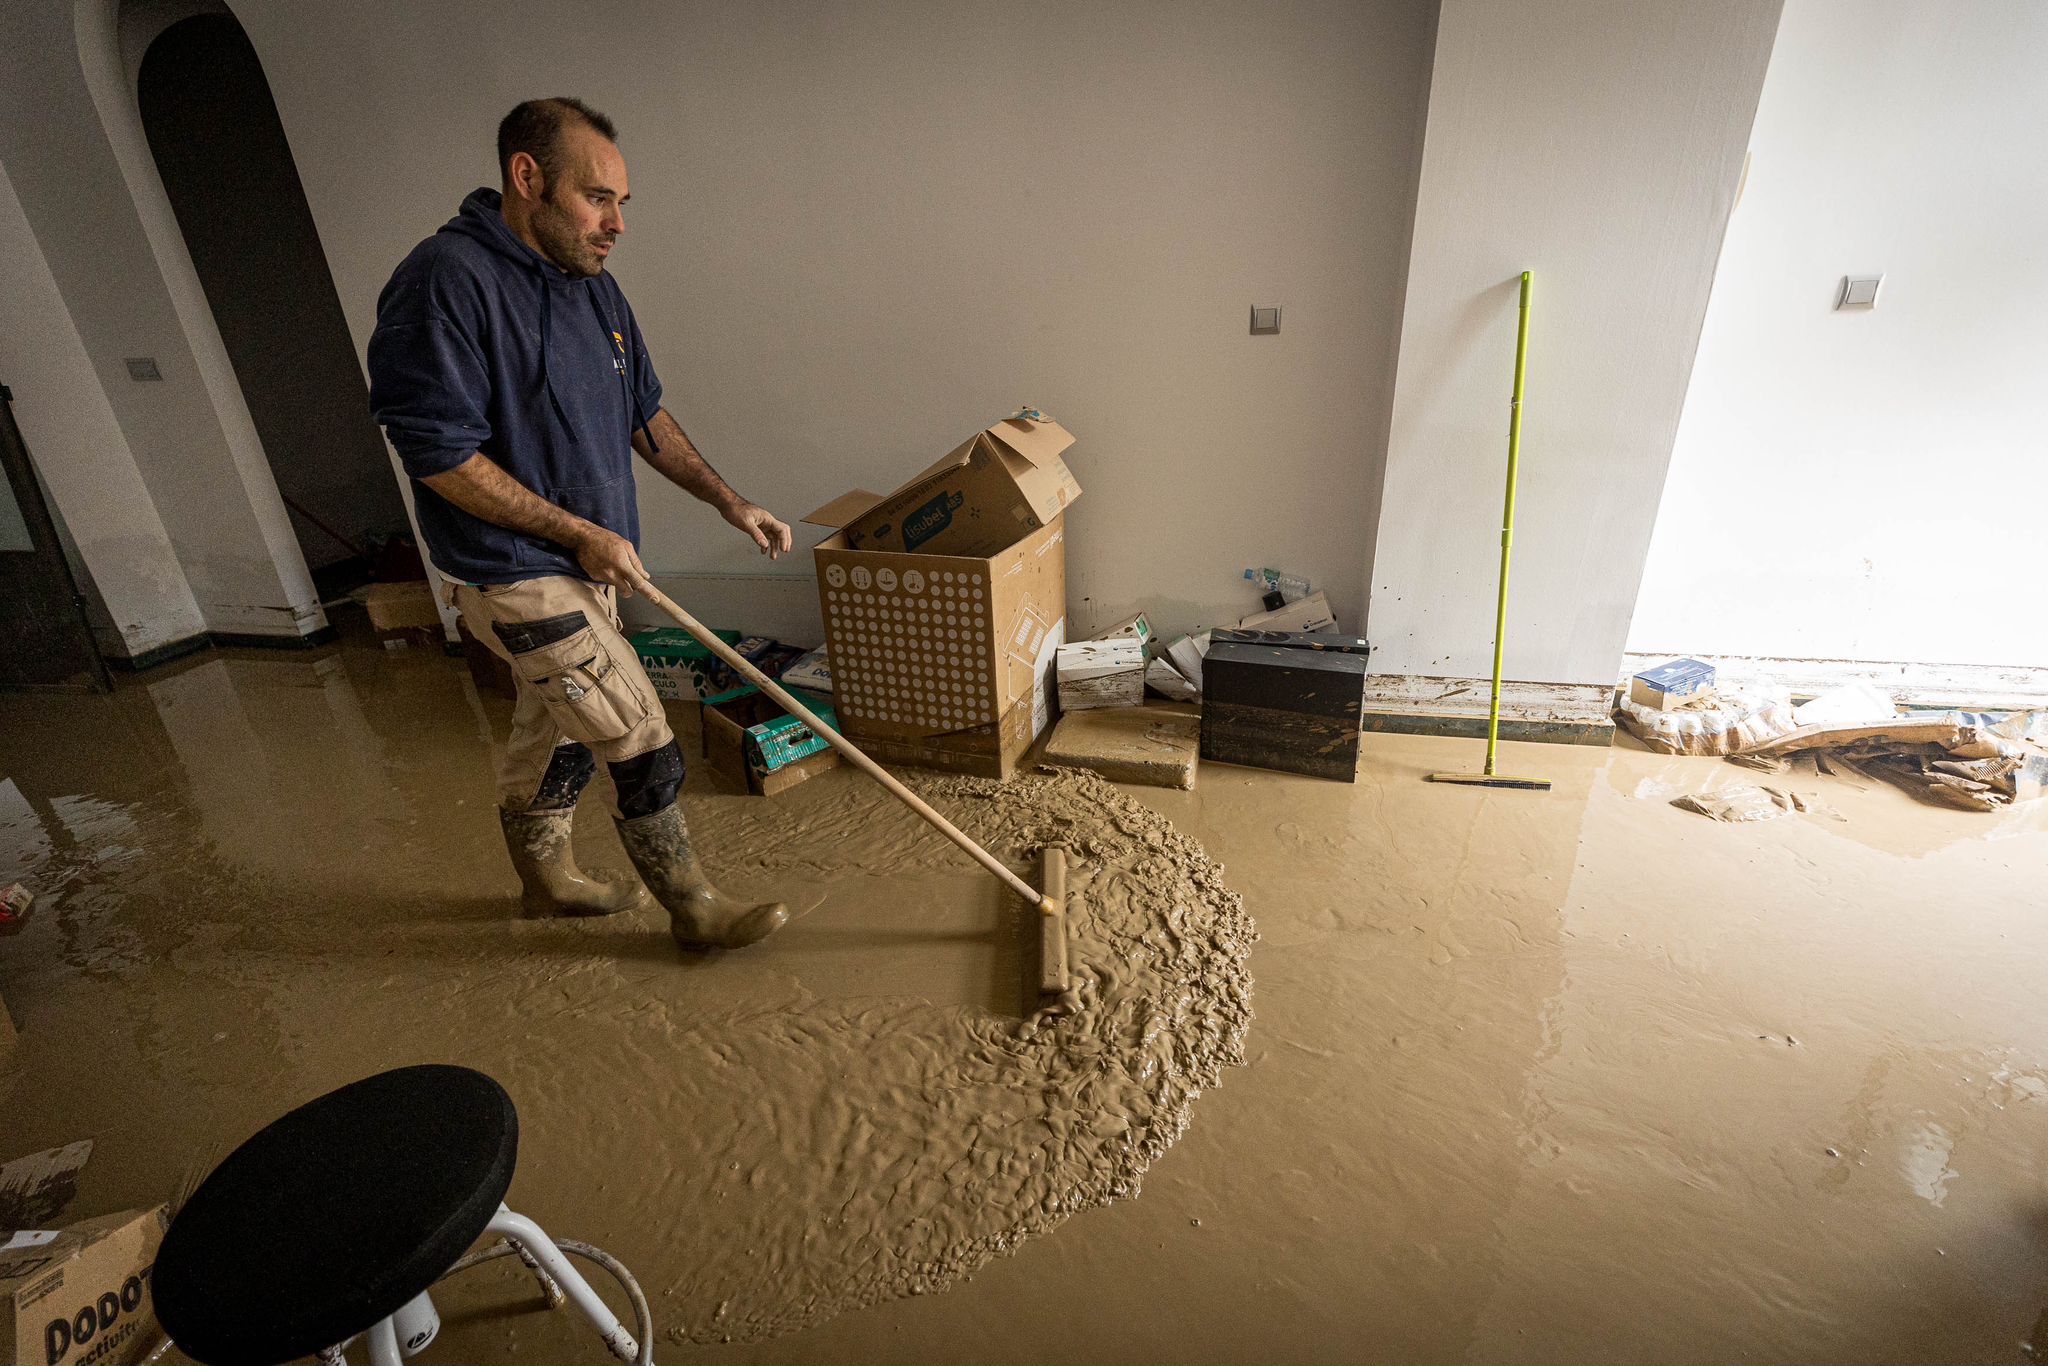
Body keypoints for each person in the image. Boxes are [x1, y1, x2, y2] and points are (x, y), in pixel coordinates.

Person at [367, 96, 790, 949]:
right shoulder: (444, 282)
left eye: (622, 203)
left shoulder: (594, 287)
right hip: (509, 568)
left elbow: (647, 418)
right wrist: (576, 534)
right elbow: (438, 455)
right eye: (599, 198)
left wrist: (727, 498)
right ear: (528, 178)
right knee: (634, 726)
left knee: (556, 725)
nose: (617, 223)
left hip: (585, 563)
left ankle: (547, 882)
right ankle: (695, 909)